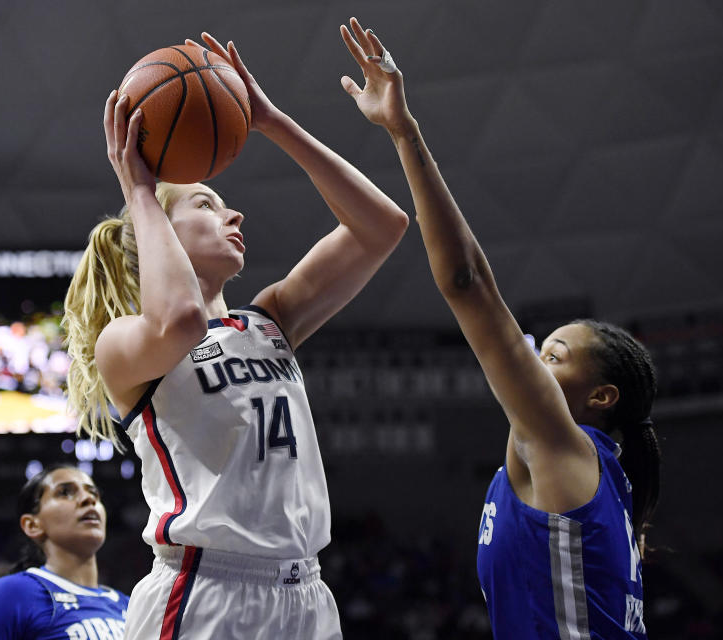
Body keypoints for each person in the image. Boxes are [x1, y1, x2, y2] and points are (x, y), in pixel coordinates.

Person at [62, 30, 409, 640]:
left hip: (306, 593)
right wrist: (140, 188)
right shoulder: (123, 344)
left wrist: (272, 123)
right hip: (204, 592)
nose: (233, 214)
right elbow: (180, 321)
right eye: (205, 203)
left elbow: (382, 225)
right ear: (158, 234)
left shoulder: (267, 320)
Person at [339, 17, 659, 639]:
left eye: (556, 355)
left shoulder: (567, 448)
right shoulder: (584, 476)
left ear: (601, 397)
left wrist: (404, 133)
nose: (534, 359)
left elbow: (468, 284)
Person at [0, 464, 129, 639]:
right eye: (65, 492)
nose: (88, 499)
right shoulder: (9, 595)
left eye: (93, 493)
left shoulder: (130, 605)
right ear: (32, 525)